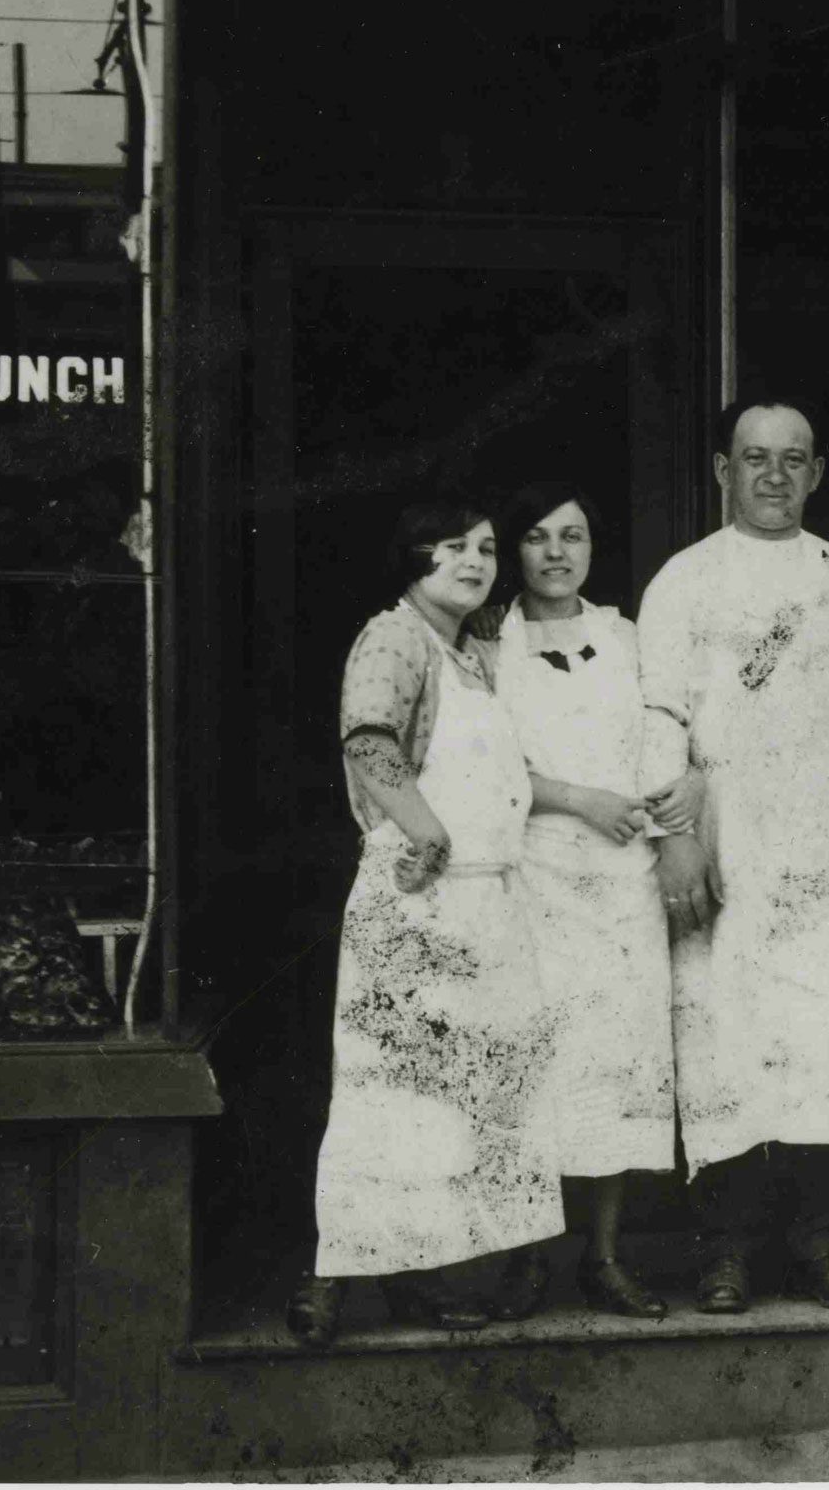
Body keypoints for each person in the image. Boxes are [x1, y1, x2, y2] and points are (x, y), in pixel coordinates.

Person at [636, 398, 829, 1314]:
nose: (773, 475)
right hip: (733, 859)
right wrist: (674, 839)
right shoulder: (683, 582)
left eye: (792, 459)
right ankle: (727, 1249)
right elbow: (658, 716)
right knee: (730, 1041)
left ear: (817, 472)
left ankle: (826, 1244)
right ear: (721, 470)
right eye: (754, 458)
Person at [286, 501, 564, 1348]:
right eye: (454, 547)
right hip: (415, 898)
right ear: (412, 557)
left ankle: (436, 1277)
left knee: (467, 1103)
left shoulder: (471, 655)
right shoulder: (394, 637)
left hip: (484, 905)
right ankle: (329, 1281)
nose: (476, 561)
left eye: (485, 548)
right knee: (387, 1098)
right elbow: (370, 741)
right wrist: (425, 827)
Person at [487, 481, 701, 1319]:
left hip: (621, 885)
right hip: (533, 876)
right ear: (513, 550)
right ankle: (528, 1261)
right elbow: (486, 765)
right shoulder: (485, 644)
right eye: (536, 536)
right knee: (538, 1068)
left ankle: (603, 1256)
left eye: (572, 535)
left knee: (614, 1066)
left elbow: (668, 727)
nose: (555, 552)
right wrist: (581, 798)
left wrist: (679, 791)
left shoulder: (625, 635)